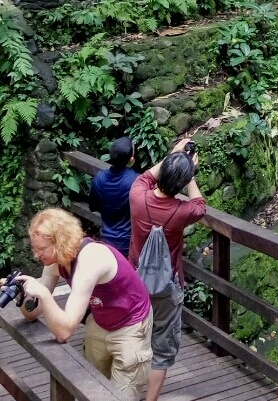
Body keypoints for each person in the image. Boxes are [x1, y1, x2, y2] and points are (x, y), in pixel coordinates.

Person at [14, 207, 152, 401]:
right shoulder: (55, 260)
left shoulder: (91, 258)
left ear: (59, 241)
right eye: (34, 249)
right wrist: (22, 294)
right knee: (91, 387)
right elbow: (31, 311)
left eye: (41, 249)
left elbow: (65, 331)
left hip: (132, 324)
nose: (36, 256)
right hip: (101, 319)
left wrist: (44, 294)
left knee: (121, 396)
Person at [129, 138, 206, 401]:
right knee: (161, 347)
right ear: (182, 182)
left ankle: (127, 389)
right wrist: (190, 172)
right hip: (167, 286)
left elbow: (145, 177)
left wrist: (174, 156)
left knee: (133, 333)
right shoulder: (183, 211)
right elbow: (200, 206)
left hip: (135, 281)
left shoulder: (138, 197)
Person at [89, 136, 139, 256]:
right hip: (128, 242)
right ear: (131, 159)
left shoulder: (99, 178)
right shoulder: (137, 181)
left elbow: (92, 206)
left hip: (106, 239)